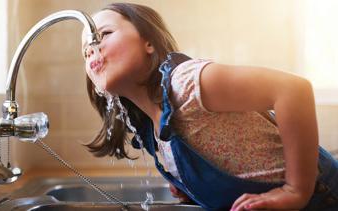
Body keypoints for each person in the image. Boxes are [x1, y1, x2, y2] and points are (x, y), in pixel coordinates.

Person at [81, 2, 338, 211]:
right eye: (85, 52)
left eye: (103, 35)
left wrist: (296, 190)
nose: (92, 50)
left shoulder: (185, 83)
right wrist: (191, 186)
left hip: (323, 198)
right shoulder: (152, 128)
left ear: (148, 42)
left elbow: (294, 90)